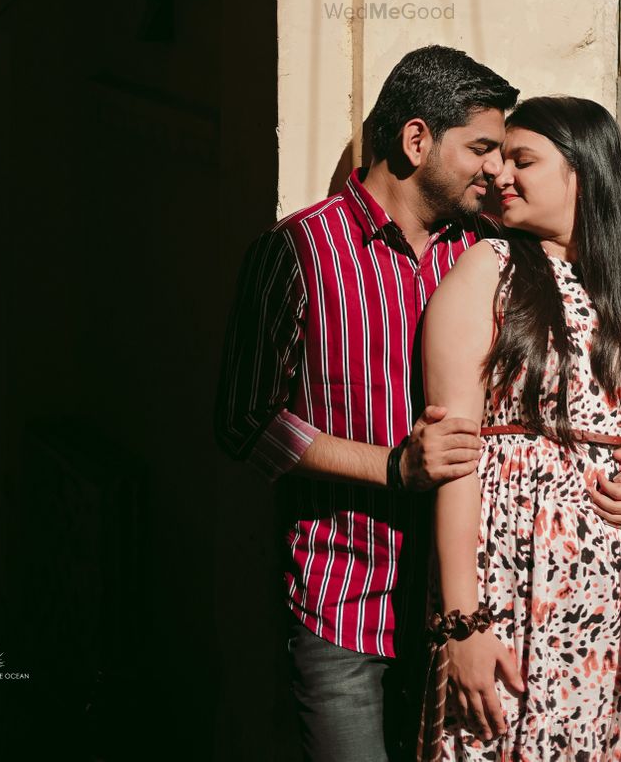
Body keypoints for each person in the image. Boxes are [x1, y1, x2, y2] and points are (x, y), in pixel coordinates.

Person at [215, 44, 520, 762]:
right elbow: (243, 421)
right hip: (340, 606)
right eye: (481, 146)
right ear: (417, 139)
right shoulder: (297, 251)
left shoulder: (483, 253)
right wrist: (390, 465)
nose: (497, 169)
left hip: (455, 617)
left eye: (504, 151)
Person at [420, 96, 621, 761]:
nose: (499, 176)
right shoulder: (489, 270)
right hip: (517, 596)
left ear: (584, 171)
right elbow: (455, 459)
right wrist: (462, 625)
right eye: (495, 158)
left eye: (523, 159)